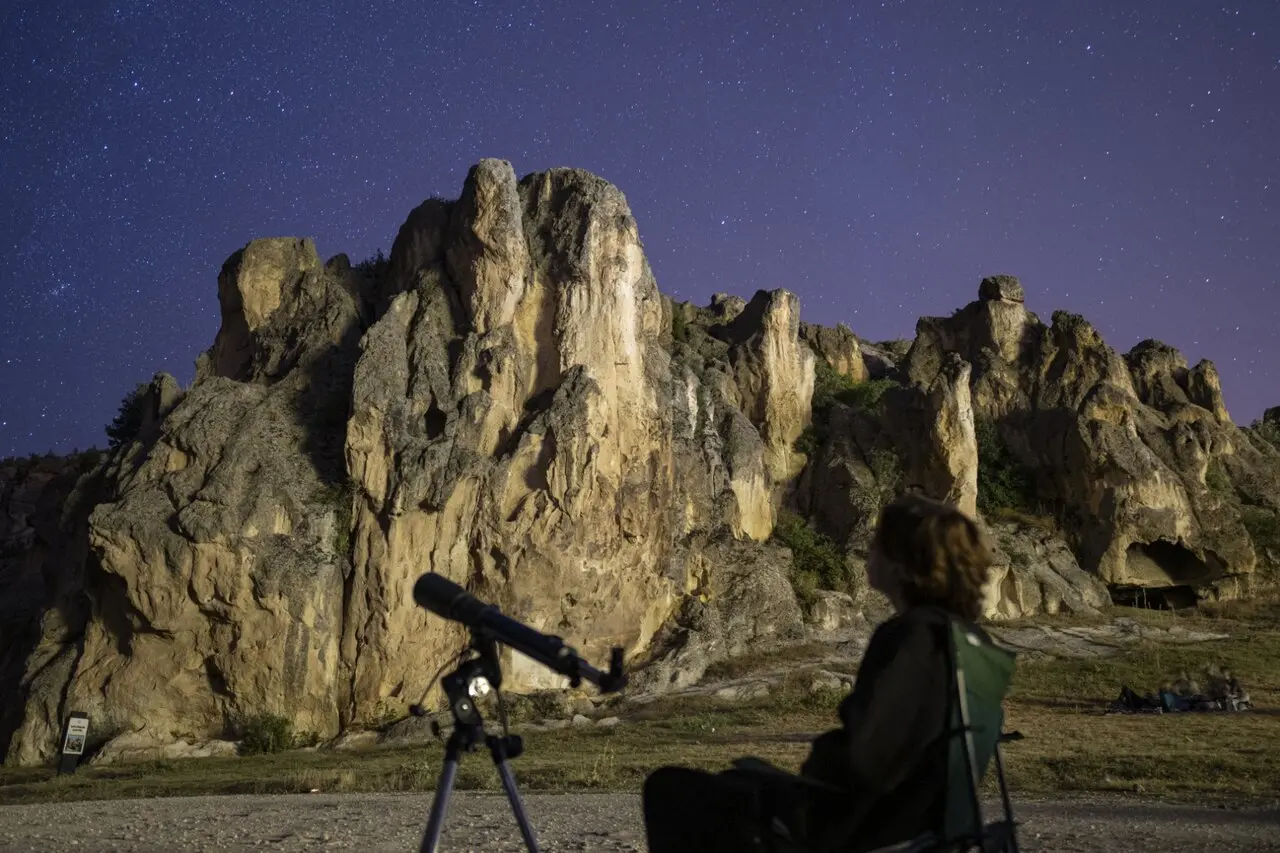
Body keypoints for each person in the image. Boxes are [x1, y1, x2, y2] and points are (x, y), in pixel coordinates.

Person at [641, 493, 995, 853]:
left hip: (863, 830)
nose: (867, 551)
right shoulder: (968, 641)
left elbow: (867, 764)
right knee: (738, 783)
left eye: (878, 544)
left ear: (905, 563)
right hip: (921, 825)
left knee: (669, 788)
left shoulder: (912, 637)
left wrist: (808, 773)